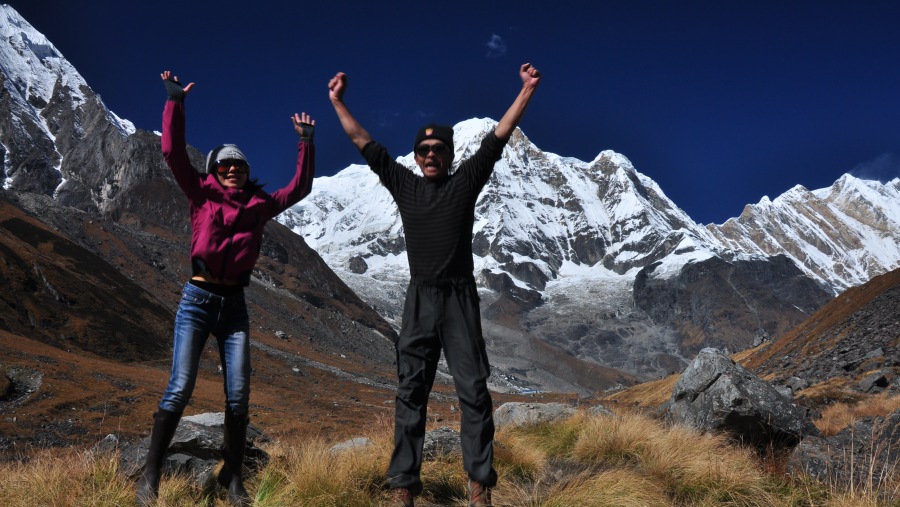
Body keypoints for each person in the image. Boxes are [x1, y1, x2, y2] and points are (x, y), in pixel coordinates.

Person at [328, 63, 541, 507]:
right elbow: (362, 141)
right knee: (411, 393)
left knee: (474, 392)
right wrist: (337, 102)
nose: (429, 155)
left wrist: (526, 91)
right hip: (420, 298)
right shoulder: (403, 184)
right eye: (423, 149)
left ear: (448, 154)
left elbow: (498, 137)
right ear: (417, 154)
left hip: (459, 299)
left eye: (437, 149)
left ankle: (478, 485)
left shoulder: (465, 183)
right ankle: (404, 486)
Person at [136, 70, 316, 507]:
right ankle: (151, 474)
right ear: (214, 169)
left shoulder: (259, 206)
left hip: (235, 307)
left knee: (238, 397)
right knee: (179, 387)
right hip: (197, 301)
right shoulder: (199, 192)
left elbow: (301, 187)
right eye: (225, 164)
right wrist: (175, 102)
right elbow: (171, 150)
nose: (233, 169)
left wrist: (305, 143)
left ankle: (232, 478)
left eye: (240, 165)